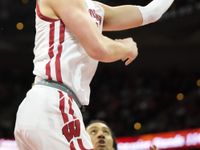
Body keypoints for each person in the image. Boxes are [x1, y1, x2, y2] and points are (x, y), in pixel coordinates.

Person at [14, 0, 174, 149]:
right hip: (54, 102)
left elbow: (151, 13)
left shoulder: (95, 8)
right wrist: (126, 47)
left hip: (42, 105)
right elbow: (98, 49)